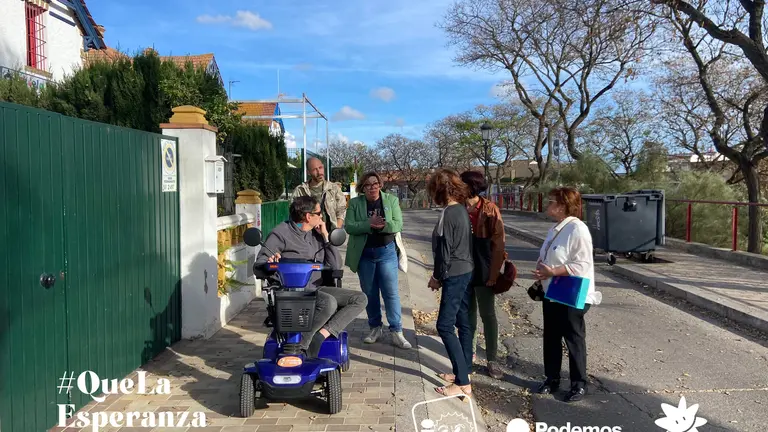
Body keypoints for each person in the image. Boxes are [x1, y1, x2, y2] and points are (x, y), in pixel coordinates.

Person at [256, 196, 367, 358]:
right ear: (309, 216)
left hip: (316, 288)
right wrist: (270, 262)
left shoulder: (315, 235)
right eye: (319, 213)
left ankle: (320, 335)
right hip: (291, 292)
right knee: (328, 302)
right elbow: (260, 264)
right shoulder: (280, 234)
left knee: (360, 298)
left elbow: (336, 266)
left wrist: (325, 237)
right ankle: (301, 346)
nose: (321, 217)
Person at [532, 186, 602, 402]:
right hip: (552, 291)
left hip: (571, 293)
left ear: (561, 207)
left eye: (552, 201)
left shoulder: (577, 229)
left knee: (573, 338)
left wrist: (552, 271)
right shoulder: (556, 229)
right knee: (551, 336)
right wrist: (543, 270)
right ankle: (551, 378)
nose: (548, 205)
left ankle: (579, 384)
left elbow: (581, 264)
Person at [344, 172, 411, 349]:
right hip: (365, 254)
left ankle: (397, 331)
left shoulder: (391, 200)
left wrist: (382, 226)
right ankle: (375, 328)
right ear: (362, 188)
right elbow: (349, 226)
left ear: (380, 185)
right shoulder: (355, 203)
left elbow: (398, 224)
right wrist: (368, 224)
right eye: (368, 184)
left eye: (375, 184)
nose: (372, 187)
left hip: (386, 252)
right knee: (370, 293)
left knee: (390, 292)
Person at [428, 169, 475, 399]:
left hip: (454, 273)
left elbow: (444, 252)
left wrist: (437, 277)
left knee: (445, 325)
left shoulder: (449, 212)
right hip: (465, 270)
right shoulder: (461, 210)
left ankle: (463, 382)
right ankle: (463, 370)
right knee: (463, 322)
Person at [460, 171, 506, 380]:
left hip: (483, 265)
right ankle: (468, 356)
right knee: (468, 314)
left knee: (488, 314)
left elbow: (498, 244)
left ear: (472, 186)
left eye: (462, 183)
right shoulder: (456, 207)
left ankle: (492, 359)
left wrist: (494, 274)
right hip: (462, 267)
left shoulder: (489, 209)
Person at [292, 157, 347, 231]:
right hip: (308, 235)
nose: (319, 172)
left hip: (330, 233)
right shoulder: (300, 190)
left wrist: (337, 229)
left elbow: (341, 209)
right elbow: (294, 215)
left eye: (320, 168)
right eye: (315, 169)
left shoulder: (333, 188)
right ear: (308, 172)